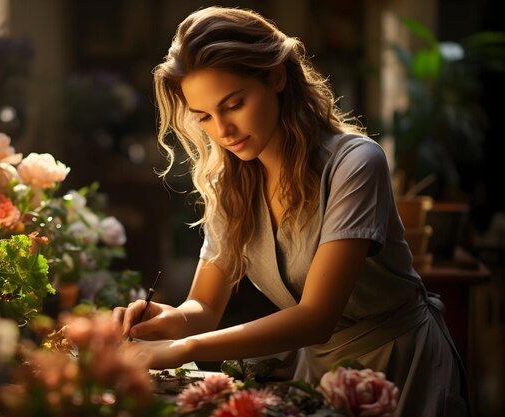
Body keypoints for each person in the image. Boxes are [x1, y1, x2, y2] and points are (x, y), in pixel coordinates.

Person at [113, 6, 469, 416]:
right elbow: (205, 307)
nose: (223, 131)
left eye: (234, 103)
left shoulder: (355, 164)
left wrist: (183, 348)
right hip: (318, 372)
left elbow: (317, 316)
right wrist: (168, 320)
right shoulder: (232, 183)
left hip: (401, 365)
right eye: (204, 117)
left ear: (276, 77)